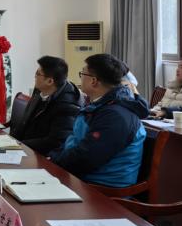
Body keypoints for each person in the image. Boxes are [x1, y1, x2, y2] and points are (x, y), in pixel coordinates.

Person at [50, 54, 148, 188]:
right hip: (81, 178)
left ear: (94, 81)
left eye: (82, 73)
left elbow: (87, 158)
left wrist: (54, 162)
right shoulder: (101, 105)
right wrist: (53, 157)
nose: (80, 78)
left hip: (101, 188)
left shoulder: (116, 116)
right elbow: (75, 141)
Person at [10, 56, 82, 155]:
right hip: (26, 149)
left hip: (44, 156)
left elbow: (55, 142)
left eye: (38, 74)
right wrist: (9, 141)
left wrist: (19, 144)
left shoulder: (67, 105)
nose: (35, 76)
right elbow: (24, 123)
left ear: (49, 81)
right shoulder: (40, 91)